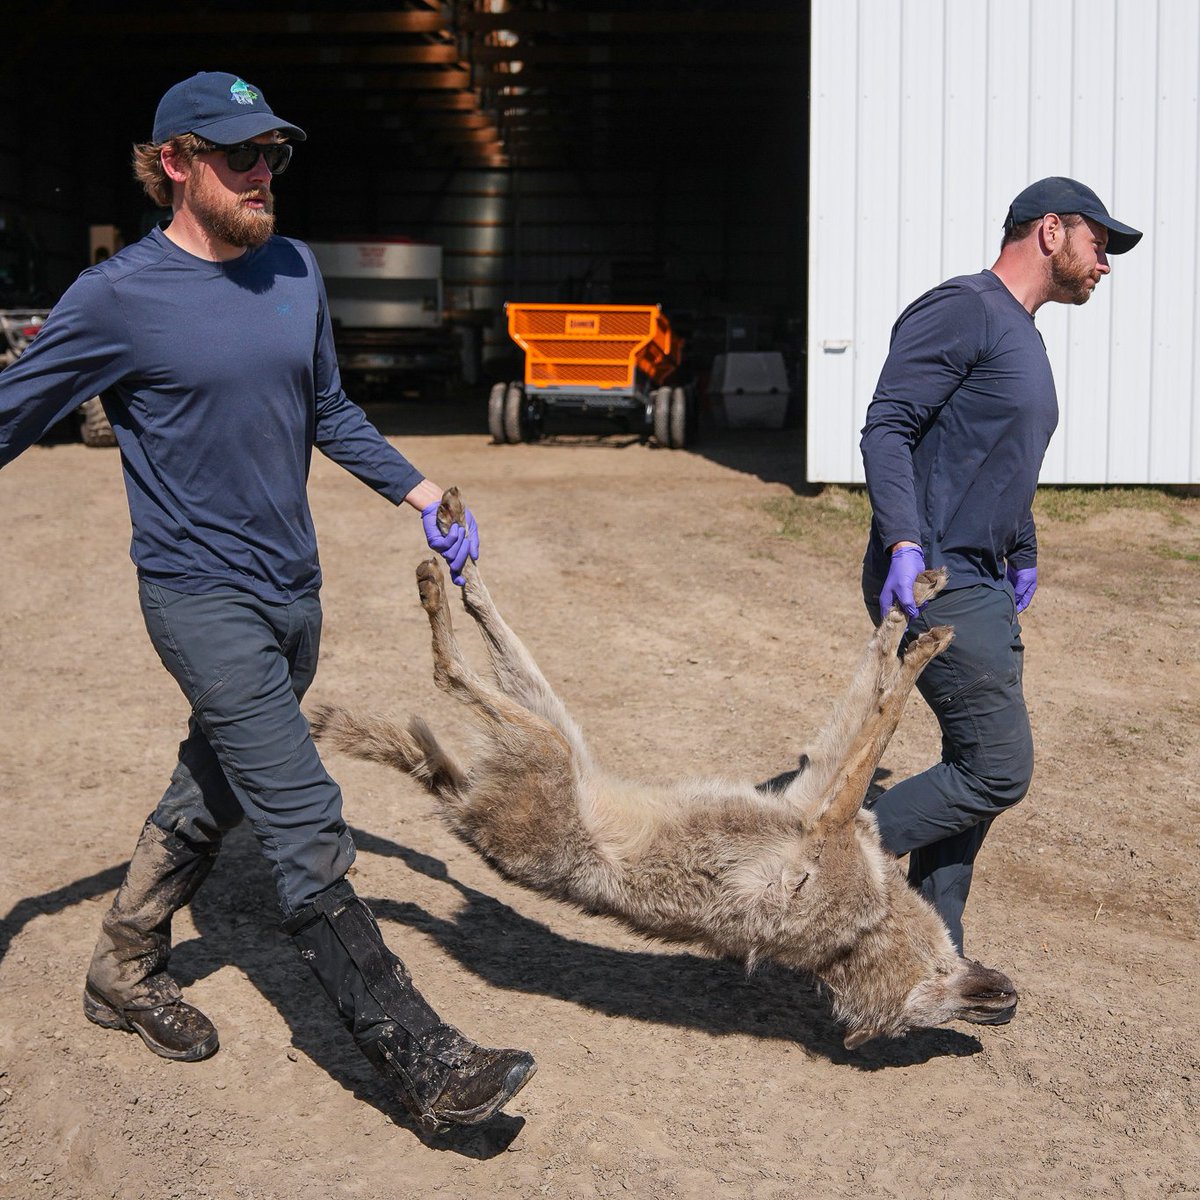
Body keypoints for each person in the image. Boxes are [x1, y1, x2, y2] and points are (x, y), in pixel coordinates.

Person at [0, 71, 535, 1136]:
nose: (263, 173)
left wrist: (420, 492)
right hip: (198, 596)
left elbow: (327, 406)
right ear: (176, 163)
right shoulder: (115, 297)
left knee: (216, 784)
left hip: (295, 594)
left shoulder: (293, 268)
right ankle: (425, 1060)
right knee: (301, 815)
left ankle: (122, 965)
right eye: (240, 155)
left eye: (274, 154)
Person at [859, 177, 1142, 958]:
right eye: (1097, 243)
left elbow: (995, 458)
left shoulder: (1021, 332)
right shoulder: (964, 308)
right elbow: (889, 425)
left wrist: (1023, 546)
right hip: (938, 576)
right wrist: (904, 542)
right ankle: (815, 864)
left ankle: (930, 956)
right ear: (1050, 231)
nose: (1104, 263)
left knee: (970, 770)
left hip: (983, 574)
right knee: (996, 770)